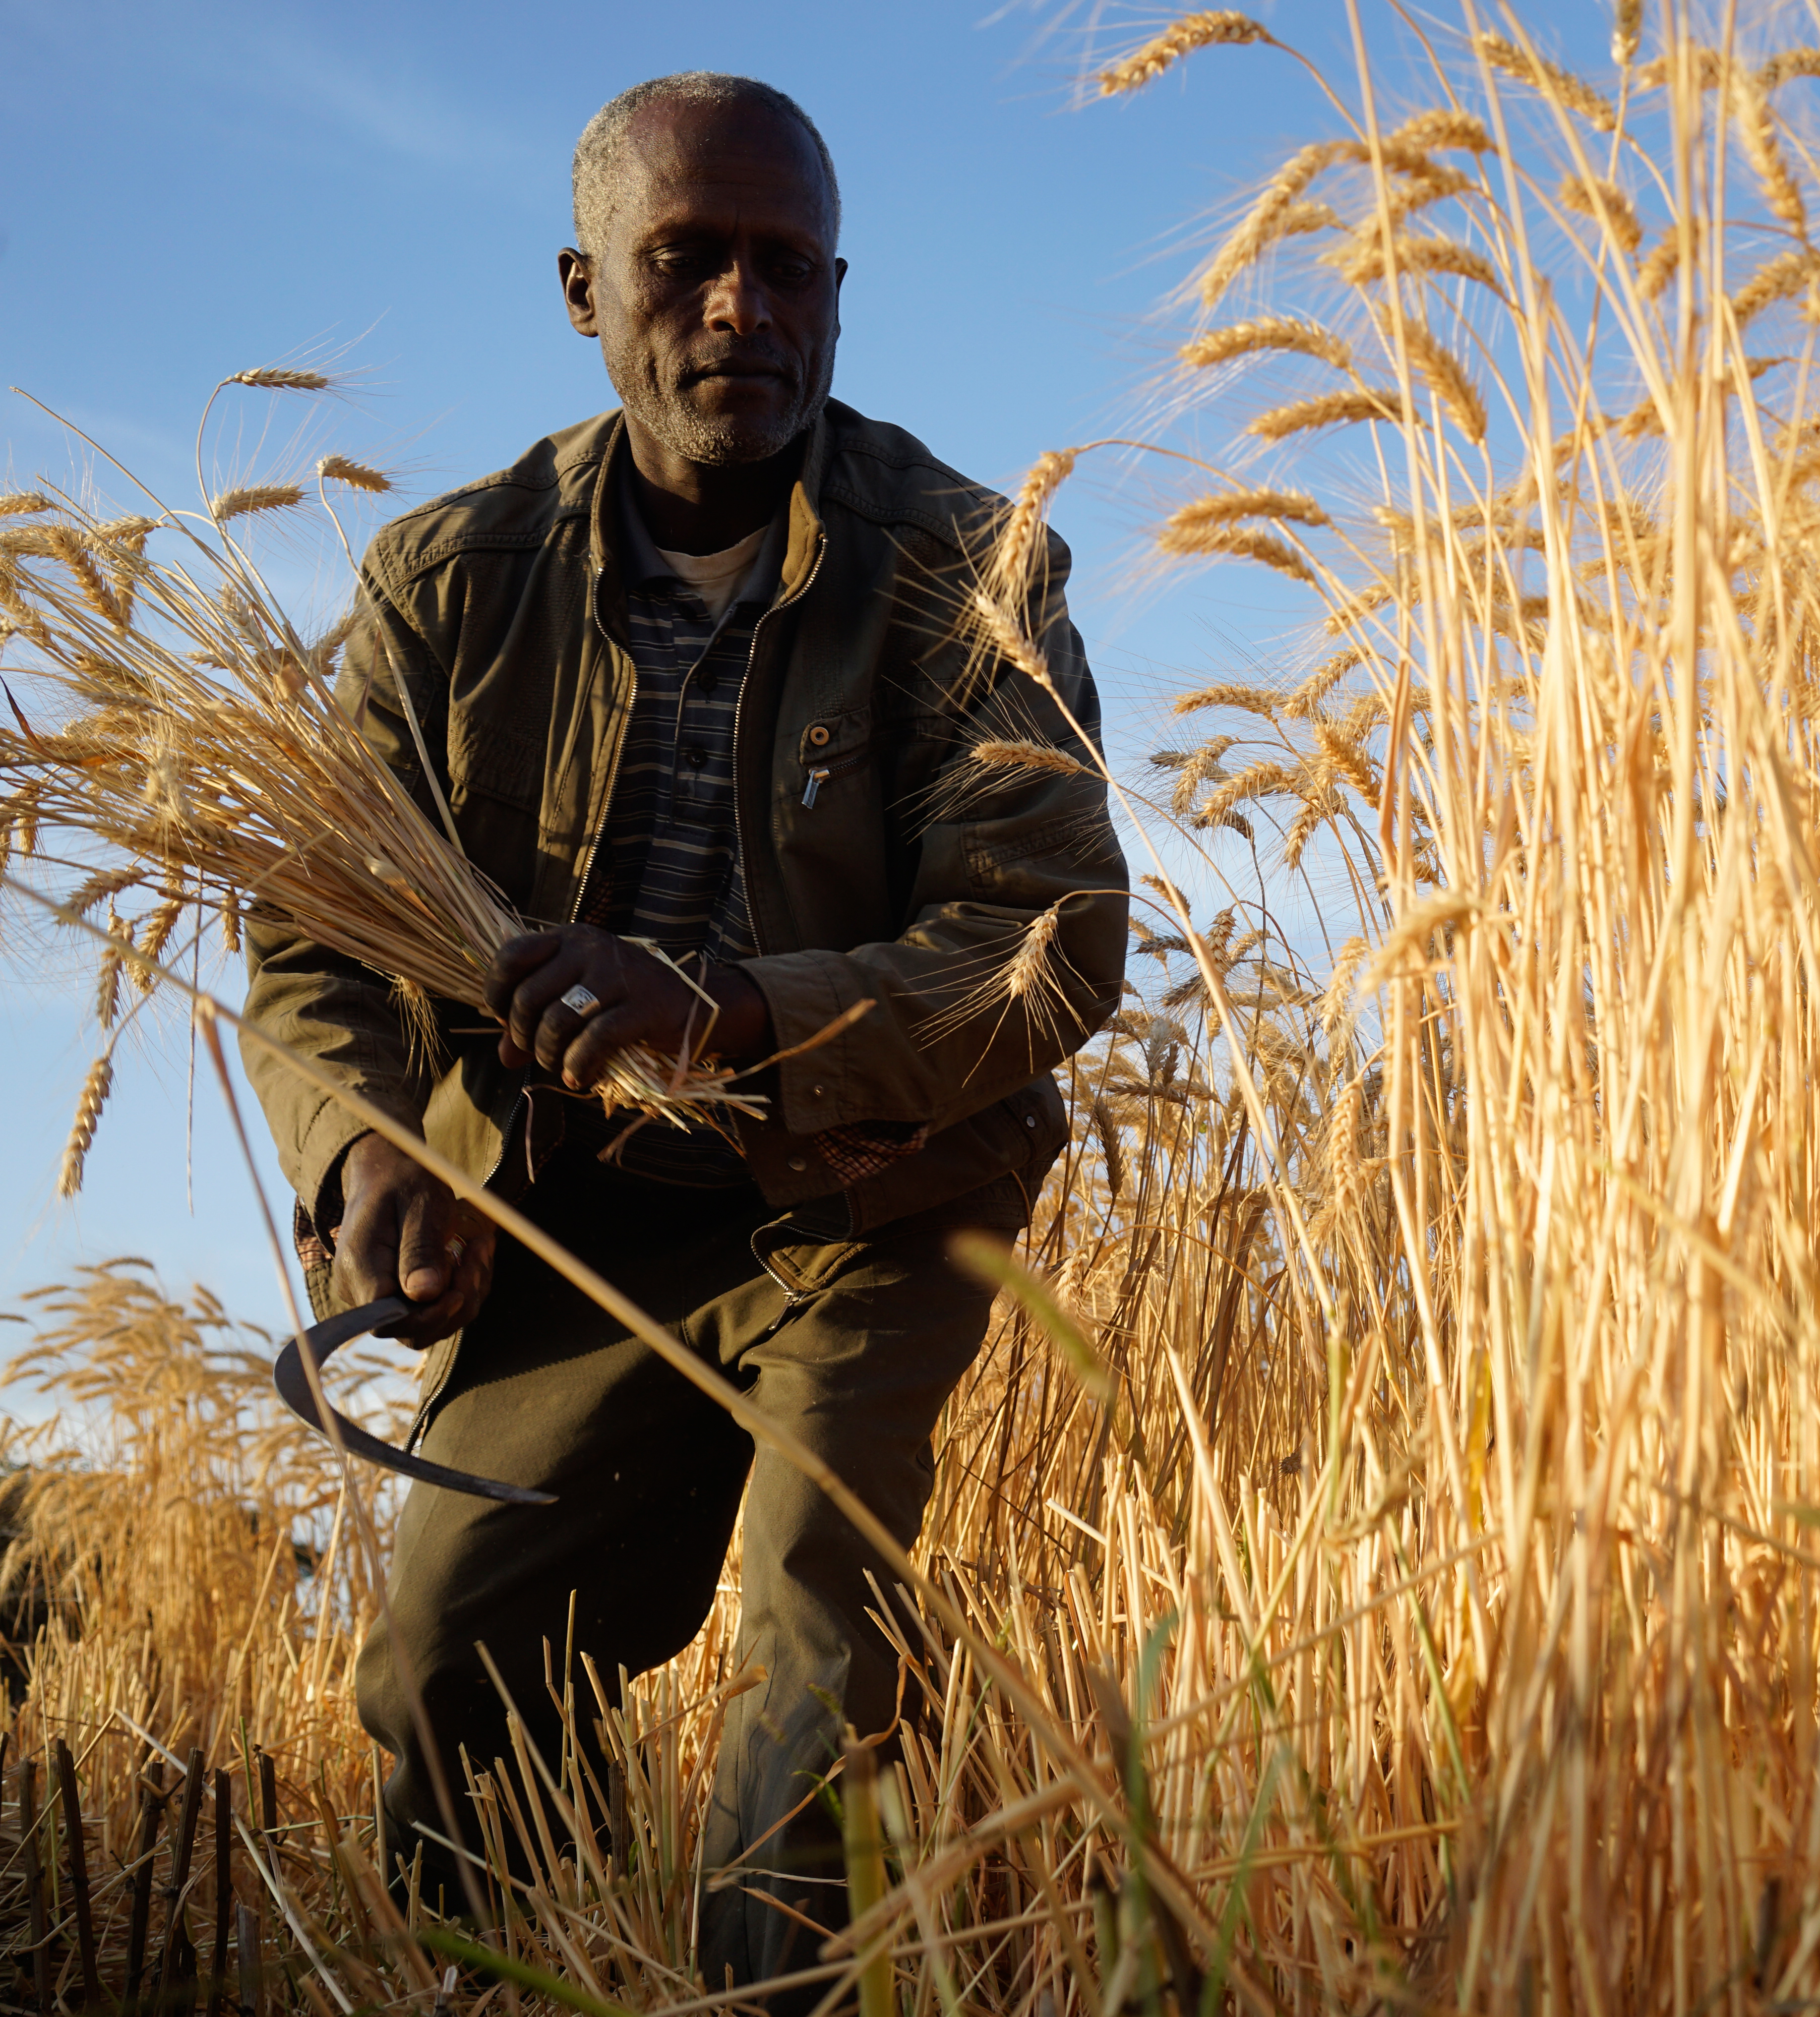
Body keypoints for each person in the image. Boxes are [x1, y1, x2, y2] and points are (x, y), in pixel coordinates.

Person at [239, 70, 1126, 2000]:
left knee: (810, 1681)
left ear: (834, 291)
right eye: (687, 261)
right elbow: (311, 948)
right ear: (585, 290)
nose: (744, 307)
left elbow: (1048, 946)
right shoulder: (447, 584)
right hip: (583, 1223)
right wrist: (372, 1153)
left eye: (786, 269)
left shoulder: (969, 565)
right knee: (447, 1662)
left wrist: (728, 1008)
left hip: (875, 1202)